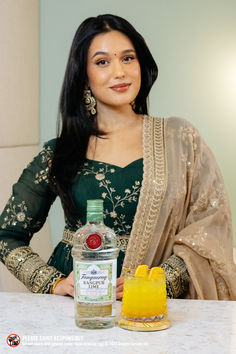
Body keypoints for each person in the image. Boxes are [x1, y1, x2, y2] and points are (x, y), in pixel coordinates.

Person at [0, 14, 235, 300]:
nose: (119, 72)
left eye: (128, 58)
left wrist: (158, 283)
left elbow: (207, 228)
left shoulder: (179, 139)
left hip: (152, 304)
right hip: (77, 306)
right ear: (83, 75)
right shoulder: (60, 152)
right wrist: (54, 282)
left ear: (141, 65)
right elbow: (7, 236)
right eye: (102, 62)